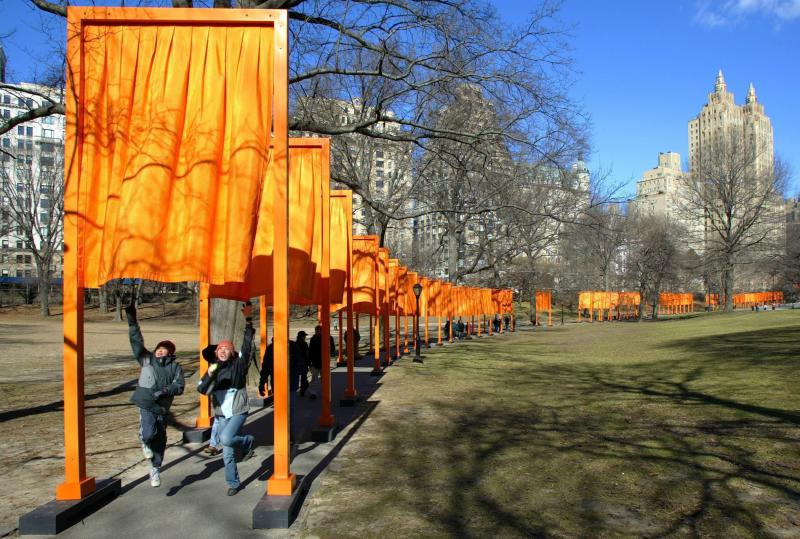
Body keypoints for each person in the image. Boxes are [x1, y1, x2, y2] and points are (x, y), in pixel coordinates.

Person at [198, 302, 258, 496]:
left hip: (238, 410)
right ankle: (233, 482)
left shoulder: (238, 366)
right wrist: (209, 375)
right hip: (222, 415)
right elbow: (202, 390)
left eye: (227, 348)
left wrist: (248, 321)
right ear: (216, 353)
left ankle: (248, 441)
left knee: (225, 439)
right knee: (227, 449)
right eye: (220, 349)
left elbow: (247, 346)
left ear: (232, 353)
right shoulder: (213, 370)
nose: (223, 350)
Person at [125, 301, 185, 488]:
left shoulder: (175, 367)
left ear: (170, 352)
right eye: (159, 347)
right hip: (146, 403)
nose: (160, 350)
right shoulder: (146, 359)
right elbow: (136, 341)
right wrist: (132, 321)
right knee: (149, 431)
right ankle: (144, 440)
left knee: (160, 439)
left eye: (164, 348)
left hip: (162, 407)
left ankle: (155, 469)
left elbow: (180, 385)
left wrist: (166, 390)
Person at [307, 325, 336, 400]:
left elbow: (332, 348)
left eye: (319, 331)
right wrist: (310, 361)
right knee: (314, 378)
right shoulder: (313, 339)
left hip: (323, 361)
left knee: (324, 378)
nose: (318, 332)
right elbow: (310, 350)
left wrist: (328, 353)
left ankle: (325, 392)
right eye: (317, 331)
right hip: (316, 361)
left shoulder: (328, 338)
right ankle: (313, 393)